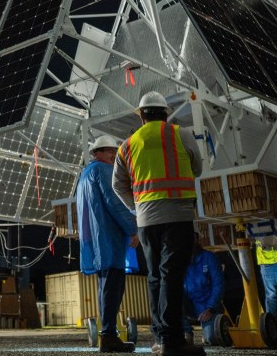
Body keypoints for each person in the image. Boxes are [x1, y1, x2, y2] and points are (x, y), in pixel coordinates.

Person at [114, 91, 204, 356]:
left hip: (146, 220)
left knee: (155, 277)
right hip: (177, 216)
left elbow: (117, 185)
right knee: (171, 277)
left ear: (142, 116)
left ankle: (159, 337)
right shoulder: (181, 134)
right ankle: (171, 340)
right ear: (166, 113)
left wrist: (136, 206)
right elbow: (197, 168)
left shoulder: (127, 145)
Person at [78, 134, 138, 353]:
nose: (114, 155)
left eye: (115, 151)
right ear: (97, 153)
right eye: (108, 151)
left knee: (105, 288)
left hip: (96, 244)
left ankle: (108, 335)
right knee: (113, 289)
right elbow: (115, 202)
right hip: (109, 241)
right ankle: (109, 336)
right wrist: (132, 228)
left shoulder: (84, 175)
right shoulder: (103, 171)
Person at [183, 235, 225, 346]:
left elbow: (218, 285)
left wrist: (211, 308)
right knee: (171, 296)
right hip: (189, 306)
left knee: (212, 339)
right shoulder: (180, 261)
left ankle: (209, 331)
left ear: (196, 239)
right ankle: (186, 333)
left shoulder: (210, 258)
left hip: (208, 307)